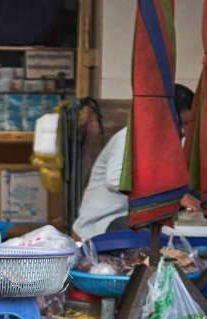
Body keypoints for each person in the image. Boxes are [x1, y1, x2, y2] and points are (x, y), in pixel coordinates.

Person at [73, 84, 196, 240]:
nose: (184, 131)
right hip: (104, 223)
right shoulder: (128, 138)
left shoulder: (173, 142)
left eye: (188, 124)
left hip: (139, 215)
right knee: (153, 233)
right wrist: (174, 196)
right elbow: (115, 181)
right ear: (166, 117)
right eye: (182, 124)